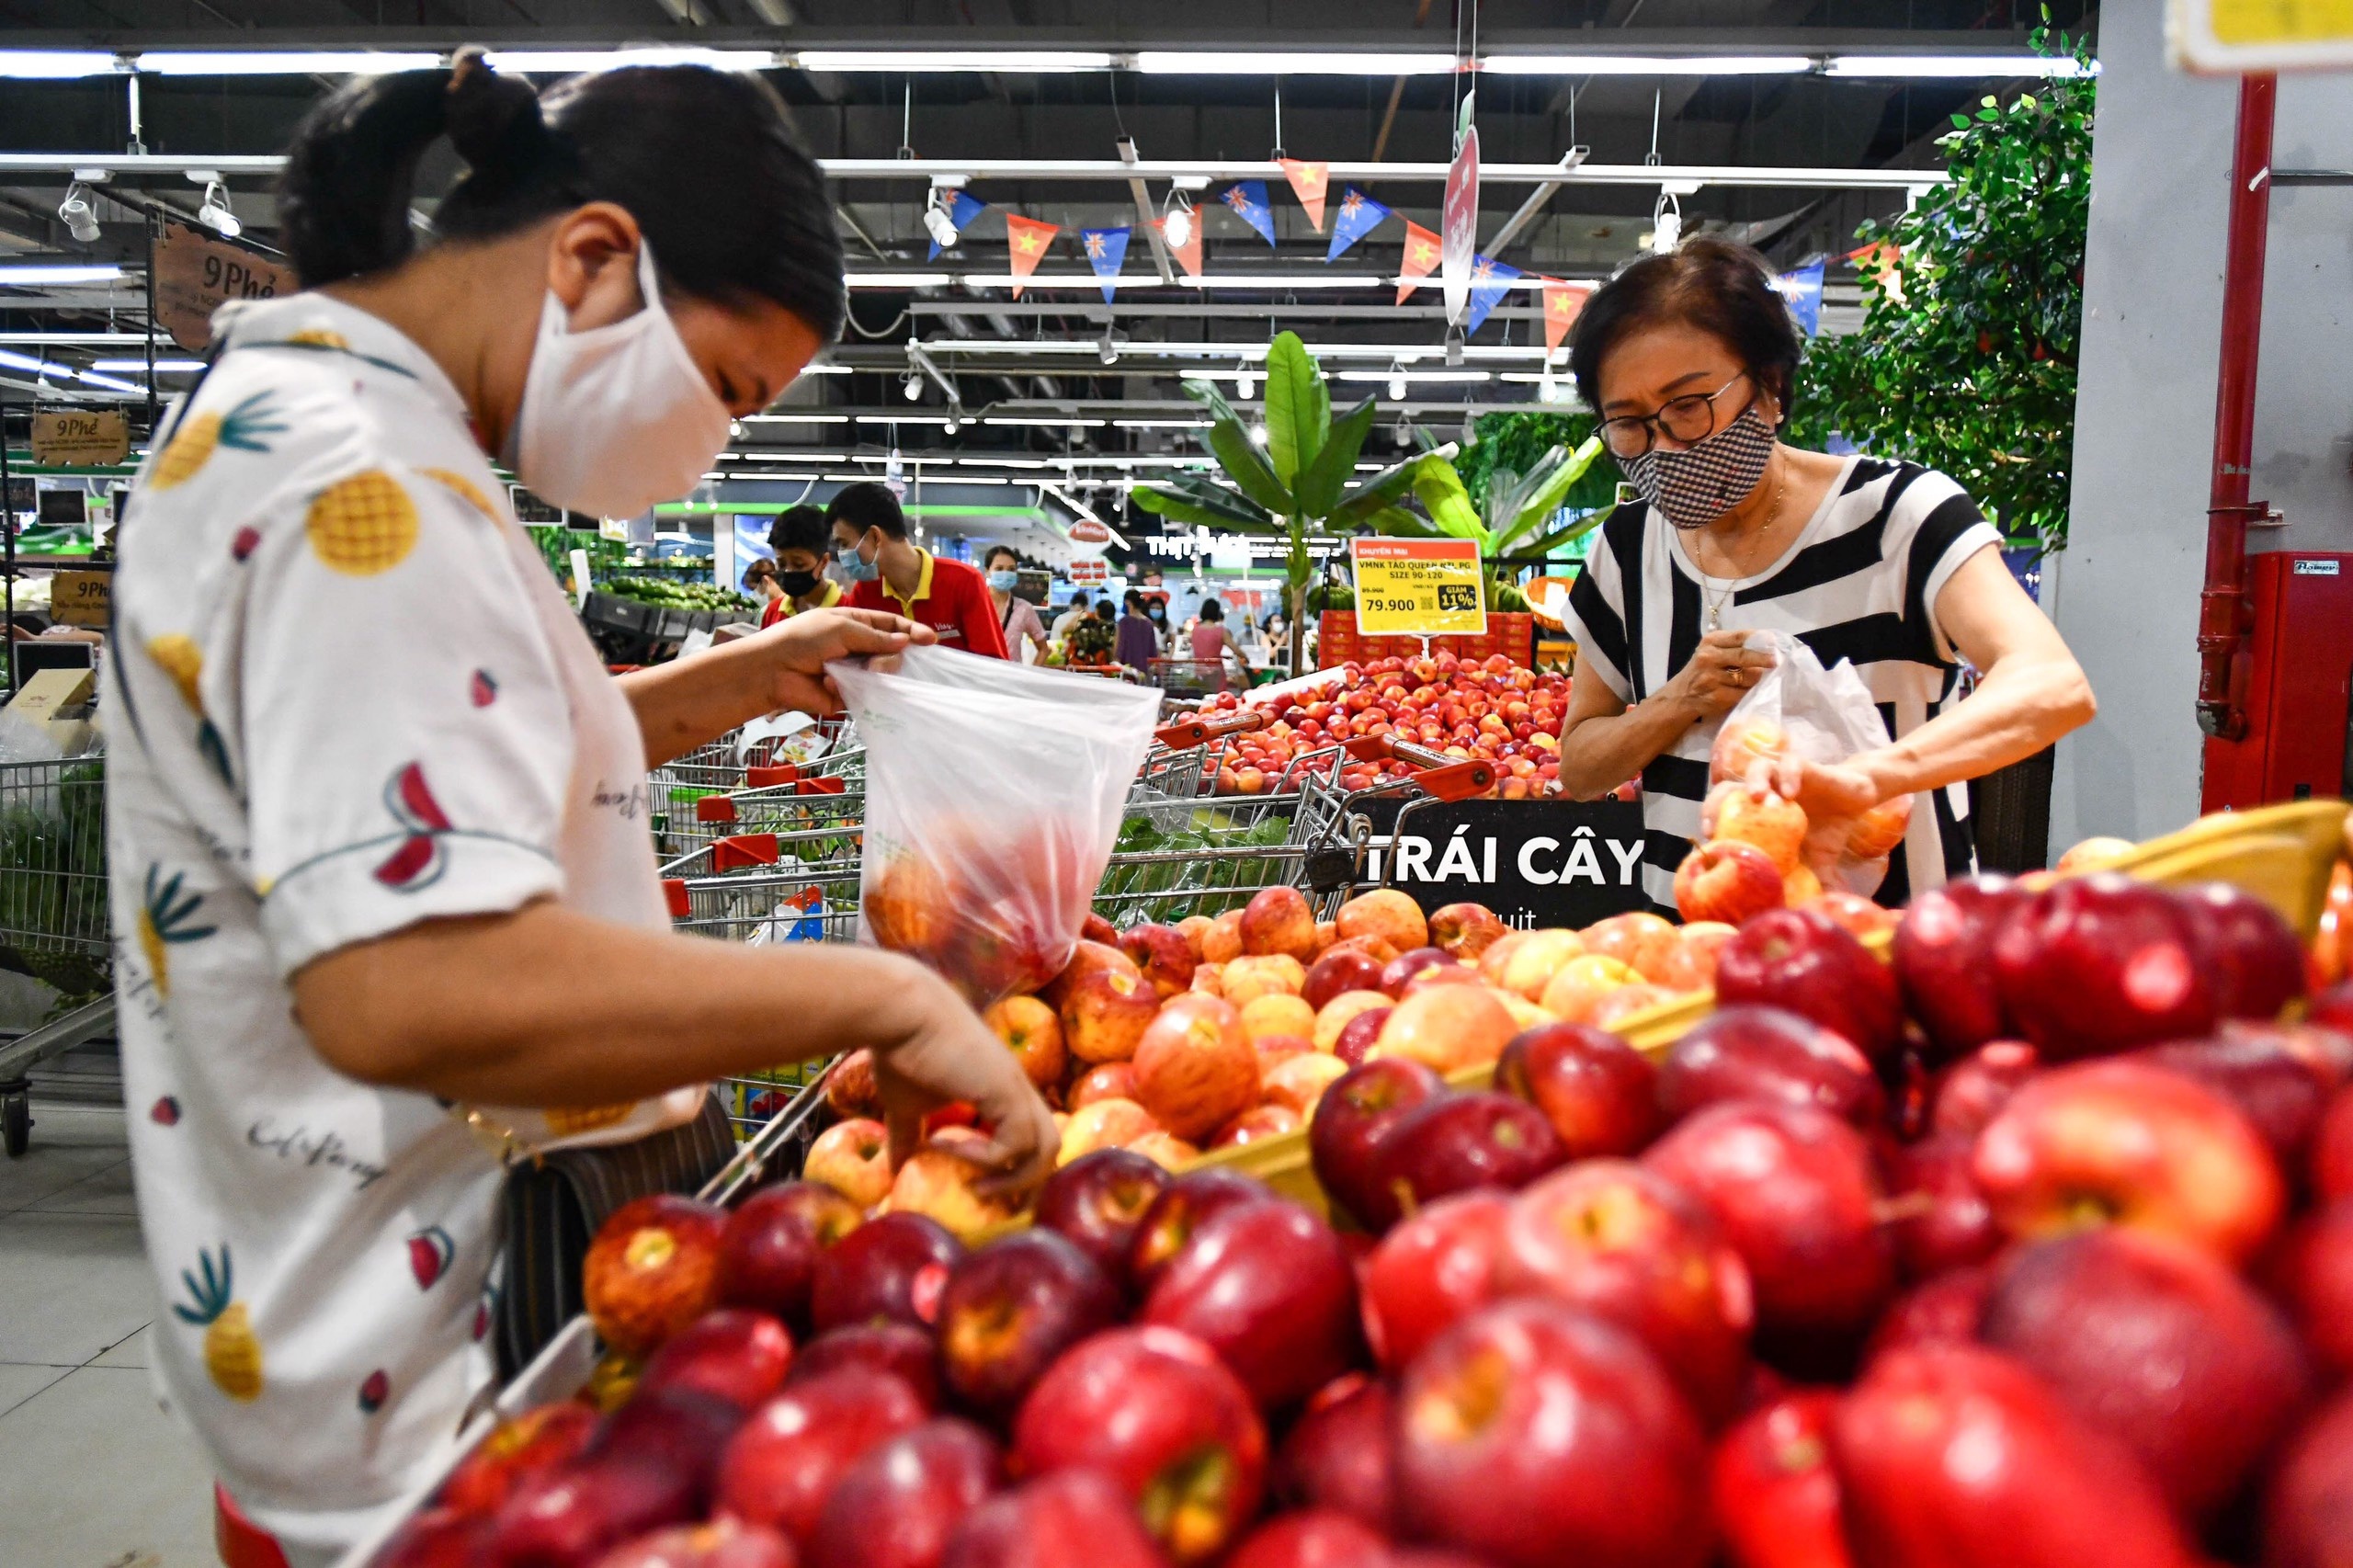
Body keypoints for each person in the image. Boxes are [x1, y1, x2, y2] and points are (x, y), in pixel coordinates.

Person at [103, 55, 1052, 1564]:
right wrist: (874, 995)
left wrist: (749, 673)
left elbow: (457, 784)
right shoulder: (363, 490)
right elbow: (406, 982)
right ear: (596, 255)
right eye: (729, 388)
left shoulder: (343, 434)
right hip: (428, 1365)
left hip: (367, 1303)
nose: (721, 441)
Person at [1555, 236, 2095, 911]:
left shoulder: (1899, 516)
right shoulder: (1626, 549)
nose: (1665, 446)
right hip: (1693, 955)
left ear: (1769, 387)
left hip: (1891, 951)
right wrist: (1679, 699)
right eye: (1630, 424)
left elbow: (2051, 684)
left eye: (1689, 406)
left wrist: (1871, 781)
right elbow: (1579, 766)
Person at [828, 482, 1008, 658]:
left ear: (875, 537)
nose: (842, 554)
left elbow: (993, 667)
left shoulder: (964, 582)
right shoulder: (865, 593)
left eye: (844, 544)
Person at [765, 501, 839, 623]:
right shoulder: (773, 612)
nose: (788, 570)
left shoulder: (848, 610)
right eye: (781, 563)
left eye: (799, 564)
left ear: (824, 562)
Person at [984, 544, 1049, 663]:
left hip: (1010, 678)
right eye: (999, 569)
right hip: (977, 677)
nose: (1005, 573)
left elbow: (1043, 649)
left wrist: (1029, 676)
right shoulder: (974, 604)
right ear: (987, 571)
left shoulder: (1024, 609)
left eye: (1011, 569)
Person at [1189, 597, 1252, 692]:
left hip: (1199, 671)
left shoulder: (1195, 630)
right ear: (1217, 612)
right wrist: (1246, 657)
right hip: (1216, 672)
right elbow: (1235, 649)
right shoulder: (1221, 631)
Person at [1115, 588, 1160, 676]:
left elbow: (1119, 647)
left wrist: (1116, 663)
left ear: (1127, 602)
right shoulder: (1149, 623)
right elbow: (1153, 650)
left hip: (1127, 670)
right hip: (1144, 671)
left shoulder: (1124, 622)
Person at [742, 556, 785, 625]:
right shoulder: (793, 602)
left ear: (765, 581)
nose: (754, 596)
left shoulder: (767, 612)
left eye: (754, 589)